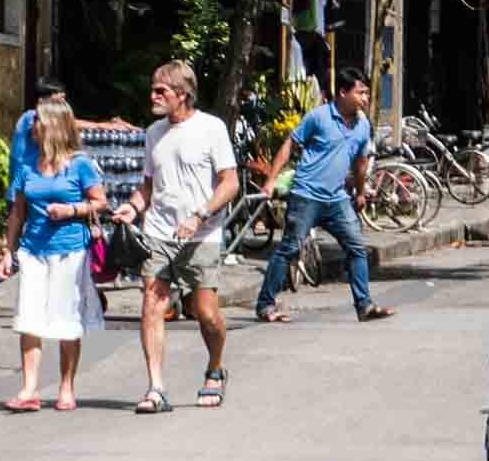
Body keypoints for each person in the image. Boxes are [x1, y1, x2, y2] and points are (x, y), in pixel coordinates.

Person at [117, 57, 238, 411]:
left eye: (161, 90)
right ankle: (155, 388)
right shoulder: (154, 133)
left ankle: (215, 369)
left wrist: (200, 215)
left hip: (202, 234)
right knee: (152, 305)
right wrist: (133, 207)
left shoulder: (211, 128)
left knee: (206, 314)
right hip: (158, 232)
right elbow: (148, 187)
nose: (152, 96)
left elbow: (230, 183)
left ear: (182, 94)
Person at [249, 69, 393, 329]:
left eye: (367, 93)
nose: (365, 97)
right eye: (360, 92)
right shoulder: (319, 116)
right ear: (343, 92)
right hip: (306, 195)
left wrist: (360, 192)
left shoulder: (362, 126)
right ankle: (265, 305)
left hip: (337, 198)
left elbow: (360, 162)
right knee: (290, 249)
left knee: (357, 248)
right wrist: (271, 179)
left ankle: (364, 305)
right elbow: (289, 144)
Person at [0, 97, 107, 411]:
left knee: (66, 319)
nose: (32, 125)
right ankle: (29, 389)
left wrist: (71, 209)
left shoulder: (80, 164)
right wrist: (9, 251)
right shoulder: (27, 167)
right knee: (28, 318)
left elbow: (100, 202)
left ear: (53, 125)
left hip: (70, 251)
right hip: (33, 250)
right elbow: (17, 213)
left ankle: (66, 387)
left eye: (37, 120)